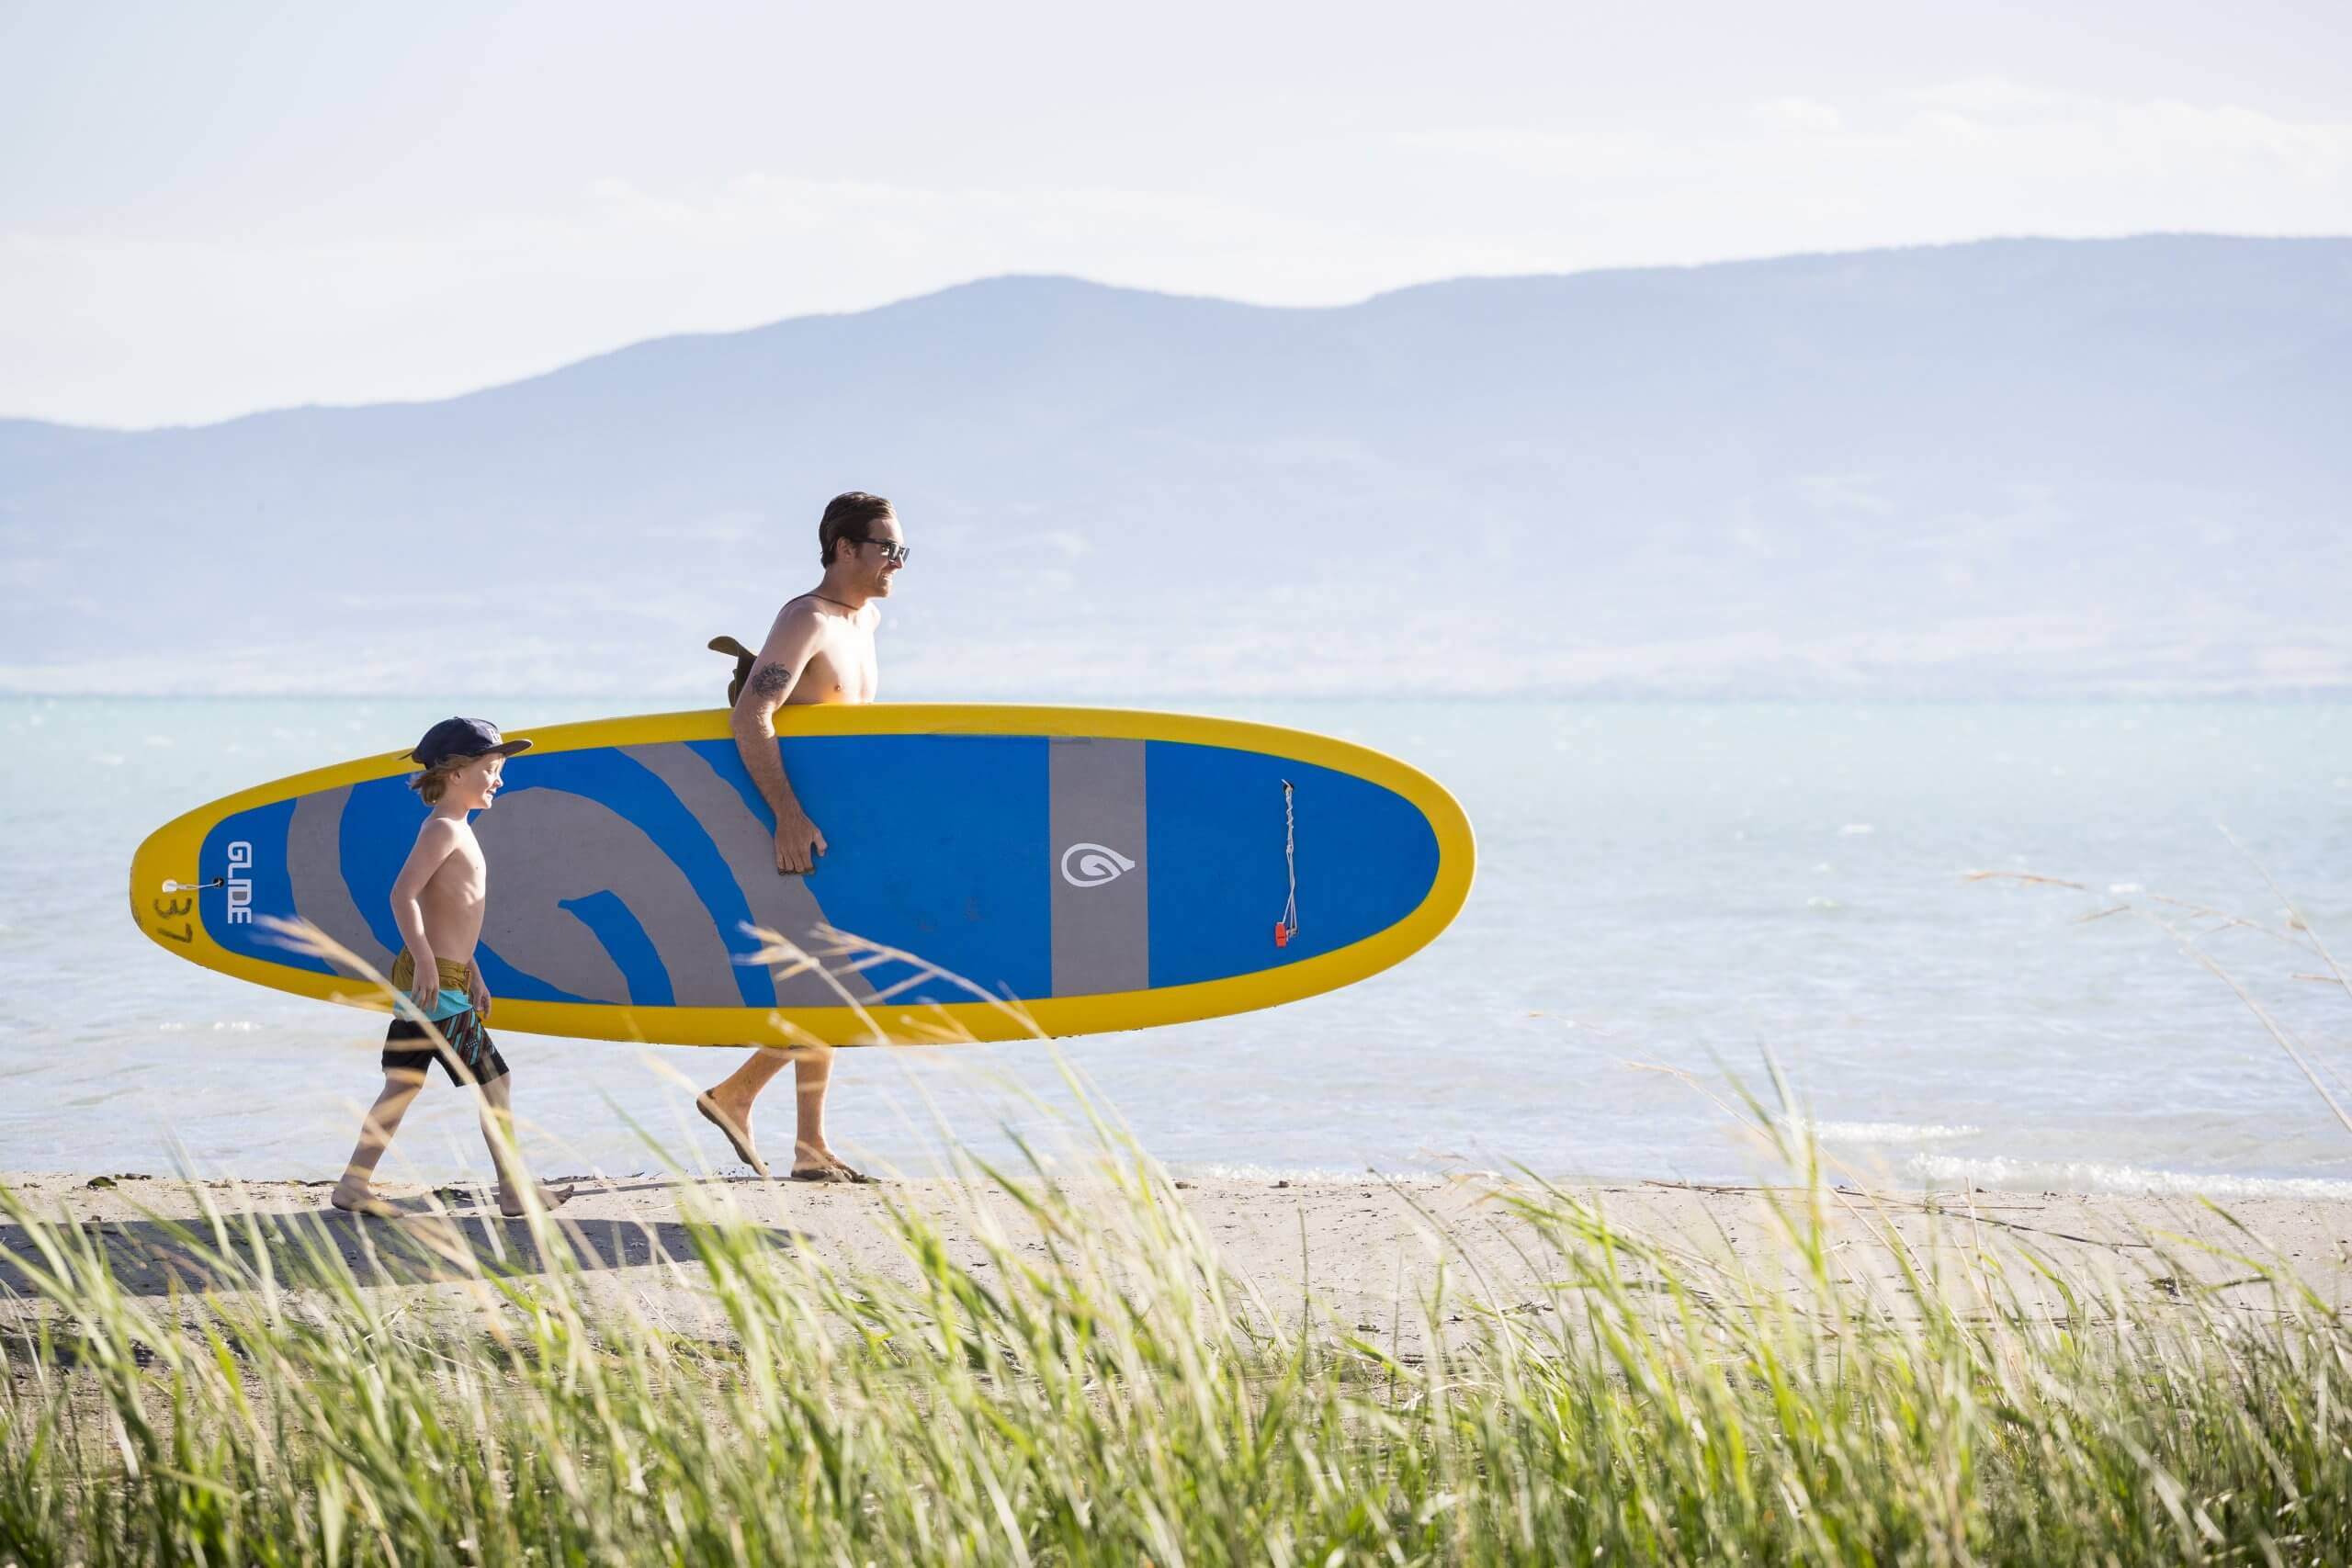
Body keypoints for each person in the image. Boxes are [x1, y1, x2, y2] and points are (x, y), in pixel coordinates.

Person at [695, 491, 905, 1180]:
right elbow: (752, 715)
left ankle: (808, 1144)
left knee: (826, 975)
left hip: (840, 832)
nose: (896, 564)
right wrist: (785, 811)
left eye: (902, 552)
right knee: (833, 982)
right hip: (791, 827)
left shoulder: (867, 620)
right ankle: (737, 1094)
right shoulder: (806, 619)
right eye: (885, 549)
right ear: (843, 547)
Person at [331, 717, 572, 1217]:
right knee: (495, 1083)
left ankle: (354, 1185)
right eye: (491, 768)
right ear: (457, 773)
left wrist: (474, 971)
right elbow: (403, 894)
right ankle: (512, 1190)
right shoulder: (442, 828)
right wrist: (426, 961)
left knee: (403, 1082)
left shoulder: (458, 827)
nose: (499, 779)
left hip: (446, 976)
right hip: (436, 983)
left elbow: (452, 914)